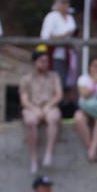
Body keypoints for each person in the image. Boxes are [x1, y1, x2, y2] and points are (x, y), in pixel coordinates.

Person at [19, 45, 63, 173]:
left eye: (46, 61)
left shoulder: (54, 76)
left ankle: (48, 153)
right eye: (42, 61)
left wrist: (48, 105)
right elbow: (24, 99)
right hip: (33, 107)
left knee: (53, 117)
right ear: (35, 62)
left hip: (49, 106)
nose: (45, 64)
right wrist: (34, 109)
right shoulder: (26, 79)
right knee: (31, 121)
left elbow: (59, 95)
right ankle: (33, 157)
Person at [40, 0, 77, 94]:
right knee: (57, 83)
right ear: (57, 4)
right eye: (63, 3)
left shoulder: (70, 18)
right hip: (55, 55)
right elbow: (45, 36)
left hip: (69, 55)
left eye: (67, 3)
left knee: (68, 84)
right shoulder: (51, 17)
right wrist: (62, 37)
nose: (65, 5)